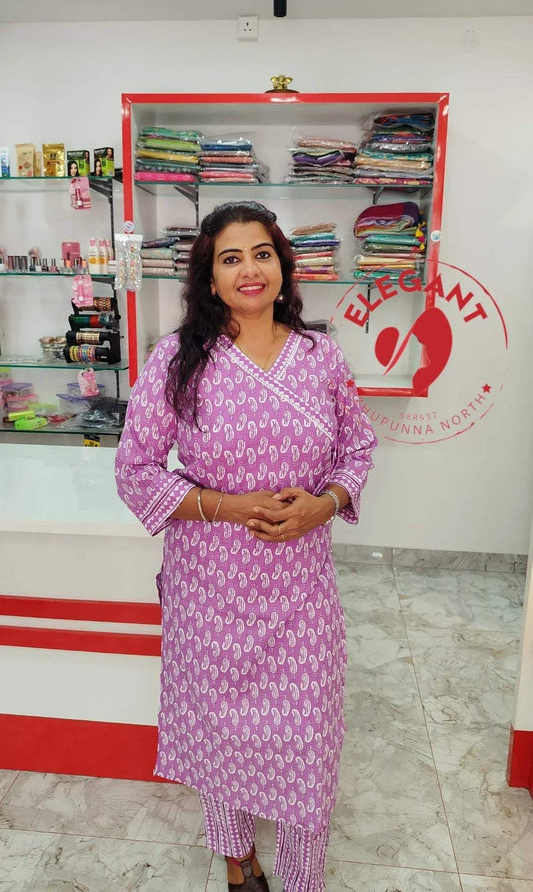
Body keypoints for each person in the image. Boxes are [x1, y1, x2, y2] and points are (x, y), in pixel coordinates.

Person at [115, 201, 377, 892]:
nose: (248, 269)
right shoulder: (178, 359)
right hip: (211, 594)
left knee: (306, 744)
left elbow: (358, 445)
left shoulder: (321, 355)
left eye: (261, 252)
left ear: (282, 265)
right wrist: (227, 506)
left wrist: (324, 503)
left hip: (299, 596)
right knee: (220, 736)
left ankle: (299, 879)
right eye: (230, 258)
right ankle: (237, 860)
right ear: (209, 277)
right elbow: (133, 468)